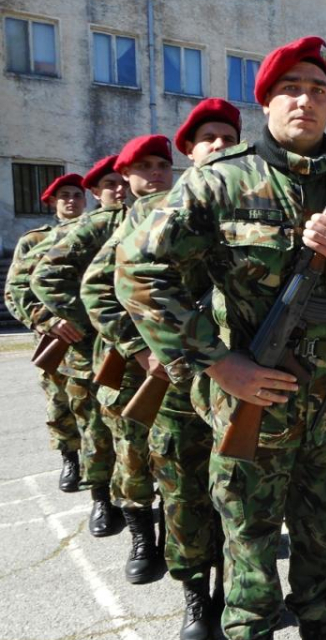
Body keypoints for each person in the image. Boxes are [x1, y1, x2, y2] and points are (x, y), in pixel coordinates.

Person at [114, 36, 326, 640]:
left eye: (319, 90)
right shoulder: (219, 183)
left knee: (324, 535)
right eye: (290, 89)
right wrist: (219, 364)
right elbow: (137, 273)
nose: (306, 100)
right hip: (252, 402)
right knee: (248, 548)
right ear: (266, 103)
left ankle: (320, 624)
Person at [83, 97, 241, 638]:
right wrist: (145, 347)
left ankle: (238, 594)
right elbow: (99, 289)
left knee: (241, 489)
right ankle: (197, 597)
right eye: (208, 139)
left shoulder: (257, 204)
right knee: (182, 489)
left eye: (228, 136)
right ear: (191, 153)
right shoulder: (155, 211)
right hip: (178, 380)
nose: (220, 145)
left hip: (242, 376)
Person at [35, 135, 174, 580]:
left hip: (178, 357)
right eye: (144, 167)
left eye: (162, 166)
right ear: (126, 178)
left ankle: (176, 540)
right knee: (127, 449)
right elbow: (49, 276)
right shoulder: (103, 227)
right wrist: (87, 325)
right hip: (124, 359)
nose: (155, 175)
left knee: (177, 455)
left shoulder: (184, 215)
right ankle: (140, 538)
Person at [4, 174, 88, 493]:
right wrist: (47, 321)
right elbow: (16, 289)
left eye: (77, 195)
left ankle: (104, 472)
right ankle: (70, 458)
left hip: (95, 336)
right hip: (55, 337)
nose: (71, 200)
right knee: (59, 402)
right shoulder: (34, 240)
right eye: (64, 195)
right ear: (52, 202)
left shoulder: (99, 234)